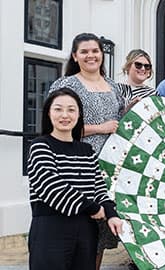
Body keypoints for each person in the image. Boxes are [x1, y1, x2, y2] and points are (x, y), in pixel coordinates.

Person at [49, 32, 126, 270]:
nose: (90, 55)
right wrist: (100, 128)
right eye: (84, 51)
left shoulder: (113, 85)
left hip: (110, 168)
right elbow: (56, 124)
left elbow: (122, 122)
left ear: (101, 54)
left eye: (95, 50)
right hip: (77, 164)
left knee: (99, 235)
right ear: (75, 56)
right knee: (76, 228)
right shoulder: (66, 84)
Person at [27, 88, 123, 270]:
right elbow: (51, 185)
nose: (65, 115)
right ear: (48, 113)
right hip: (50, 229)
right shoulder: (40, 146)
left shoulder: (87, 151)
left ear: (79, 115)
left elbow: (99, 188)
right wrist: (92, 207)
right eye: (58, 109)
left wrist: (111, 214)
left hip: (86, 231)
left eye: (71, 109)